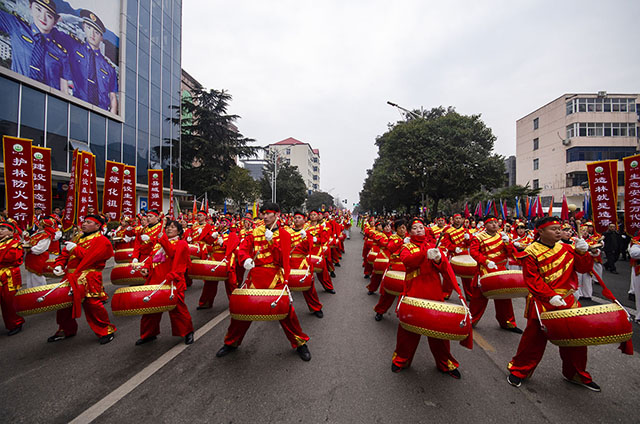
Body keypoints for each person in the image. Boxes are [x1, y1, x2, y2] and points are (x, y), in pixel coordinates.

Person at [507, 217, 600, 391]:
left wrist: (582, 253)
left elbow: (583, 269)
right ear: (540, 232)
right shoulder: (531, 252)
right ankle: (519, 370)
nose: (559, 231)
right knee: (533, 341)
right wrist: (550, 296)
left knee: (576, 340)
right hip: (543, 302)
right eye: (553, 229)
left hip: (568, 301)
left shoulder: (567, 248)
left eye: (560, 228)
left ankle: (576, 373)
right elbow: (532, 280)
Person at [215, 203, 311, 361]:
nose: (265, 216)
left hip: (274, 275)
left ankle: (300, 343)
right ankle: (231, 342)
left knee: (287, 312)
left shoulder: (284, 235)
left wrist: (273, 243)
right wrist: (245, 258)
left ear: (277, 215)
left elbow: (283, 260)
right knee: (244, 310)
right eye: (263, 213)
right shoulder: (255, 232)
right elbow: (243, 248)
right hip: (255, 276)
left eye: (268, 213)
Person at [391, 218, 468, 378]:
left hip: (434, 292)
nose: (419, 230)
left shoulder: (434, 247)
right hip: (414, 291)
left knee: (438, 331)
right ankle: (401, 359)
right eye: (415, 228)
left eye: (421, 227)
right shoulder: (406, 247)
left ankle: (445, 362)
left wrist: (439, 259)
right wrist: (423, 254)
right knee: (407, 332)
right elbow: (407, 262)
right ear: (409, 232)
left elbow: (445, 269)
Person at [49, 215, 116, 344]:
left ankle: (105, 330)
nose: (84, 224)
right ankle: (65, 330)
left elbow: (90, 258)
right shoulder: (78, 237)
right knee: (63, 304)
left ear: (97, 226)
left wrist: (75, 248)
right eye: (84, 221)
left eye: (88, 222)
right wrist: (59, 264)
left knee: (92, 305)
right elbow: (65, 254)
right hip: (70, 275)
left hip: (89, 276)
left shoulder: (102, 240)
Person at [136, 220, 194, 345]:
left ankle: (187, 332)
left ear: (179, 231)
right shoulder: (158, 244)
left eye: (173, 227)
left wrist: (162, 240)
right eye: (167, 227)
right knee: (150, 310)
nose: (168, 229)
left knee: (178, 310)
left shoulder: (181, 243)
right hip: (155, 280)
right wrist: (146, 268)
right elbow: (152, 258)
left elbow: (172, 253)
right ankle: (149, 334)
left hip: (172, 281)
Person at [0, 0, 71, 91]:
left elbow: (64, 90)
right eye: (38, 9)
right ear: (30, 7)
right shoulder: (17, 27)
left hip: (47, 100)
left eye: (49, 16)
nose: (43, 18)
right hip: (16, 91)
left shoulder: (61, 53)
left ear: (55, 22)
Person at [468, 216, 521, 333]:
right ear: (485, 225)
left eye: (496, 223)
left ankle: (508, 322)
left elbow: (510, 253)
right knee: (479, 298)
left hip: (500, 269)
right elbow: (474, 252)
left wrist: (508, 243)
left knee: (504, 296)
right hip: (485, 269)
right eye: (491, 223)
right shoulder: (478, 237)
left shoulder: (503, 236)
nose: (494, 225)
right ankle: (470, 320)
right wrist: (486, 261)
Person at [63, 9, 118, 113]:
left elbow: (112, 97)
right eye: (89, 28)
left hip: (100, 113)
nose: (92, 34)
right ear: (83, 27)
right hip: (75, 106)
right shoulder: (74, 48)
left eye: (96, 32)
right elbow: (51, 29)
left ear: (102, 37)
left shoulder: (109, 68)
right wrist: (63, 18)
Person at [287, 212, 324, 318]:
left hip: (302, 262)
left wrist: (307, 238)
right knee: (284, 286)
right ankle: (282, 309)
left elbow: (309, 248)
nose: (296, 219)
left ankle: (316, 307)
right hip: (289, 262)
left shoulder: (307, 233)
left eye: (299, 218)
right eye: (295, 218)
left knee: (309, 287)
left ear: (304, 221)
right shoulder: (288, 232)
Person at [374, 218, 406, 320]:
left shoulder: (410, 238)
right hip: (395, 268)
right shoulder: (393, 238)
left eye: (404, 228)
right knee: (388, 294)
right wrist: (402, 242)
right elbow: (391, 247)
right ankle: (380, 311)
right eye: (400, 228)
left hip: (407, 269)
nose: (403, 230)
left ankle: (406, 316)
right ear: (396, 229)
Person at [0, 222, 26, 336]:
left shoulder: (15, 244)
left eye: (3, 229)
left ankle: (15, 323)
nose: (0, 231)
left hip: (9, 274)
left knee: (9, 301)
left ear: (11, 232)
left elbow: (11, 258)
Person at [23, 216, 55, 288]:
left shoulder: (46, 235)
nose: (39, 226)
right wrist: (26, 238)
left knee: (37, 276)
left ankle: (39, 291)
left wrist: (30, 248)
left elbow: (40, 249)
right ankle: (30, 291)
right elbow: (30, 241)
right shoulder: (38, 233)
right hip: (32, 257)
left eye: (40, 225)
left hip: (39, 258)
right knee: (30, 275)